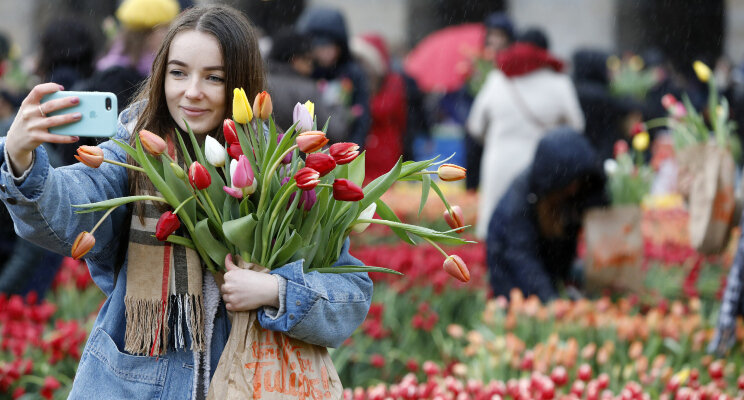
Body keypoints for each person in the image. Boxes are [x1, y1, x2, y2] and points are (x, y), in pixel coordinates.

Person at [0, 5, 372, 399]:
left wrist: (276, 290)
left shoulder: (281, 173)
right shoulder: (137, 154)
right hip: (131, 386)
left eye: (214, 77)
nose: (191, 91)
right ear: (162, 75)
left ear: (240, 84)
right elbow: (71, 209)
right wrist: (22, 161)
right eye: (178, 73)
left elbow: (351, 293)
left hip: (246, 384)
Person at [467, 29, 584, 239]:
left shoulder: (497, 79)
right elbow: (577, 127)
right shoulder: (559, 83)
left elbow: (475, 125)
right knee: (540, 229)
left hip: (500, 162)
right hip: (543, 165)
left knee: (497, 229)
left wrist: (495, 140)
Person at [486, 129, 607, 302]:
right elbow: (522, 258)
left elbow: (598, 205)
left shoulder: (572, 189)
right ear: (555, 181)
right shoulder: (518, 205)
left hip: (552, 268)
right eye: (569, 183)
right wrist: (552, 303)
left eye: (577, 182)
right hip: (511, 277)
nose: (574, 188)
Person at [444, 12, 514, 190]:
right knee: (474, 184)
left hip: (501, 132)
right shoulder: (477, 63)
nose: (494, 40)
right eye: (491, 34)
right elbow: (462, 99)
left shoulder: (513, 65)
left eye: (499, 35)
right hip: (476, 135)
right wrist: (468, 118)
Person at [296, 6, 371, 146]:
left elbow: (362, 117)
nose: (326, 53)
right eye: (320, 46)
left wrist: (353, 149)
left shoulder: (353, 73)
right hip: (310, 147)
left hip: (342, 148)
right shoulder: (305, 72)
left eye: (330, 46)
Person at [266, 28, 350, 141]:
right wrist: (338, 103)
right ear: (295, 60)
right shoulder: (306, 89)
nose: (312, 68)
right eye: (309, 60)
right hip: (298, 156)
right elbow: (335, 131)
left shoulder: (260, 81)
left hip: (265, 157)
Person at [350, 34, 408, 181]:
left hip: (385, 151)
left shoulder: (393, 83)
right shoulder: (354, 83)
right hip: (361, 151)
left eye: (364, 61)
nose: (361, 67)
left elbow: (399, 117)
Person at [572, 49, 643, 160]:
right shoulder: (592, 93)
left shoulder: (576, 88)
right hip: (598, 151)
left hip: (585, 149)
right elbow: (623, 105)